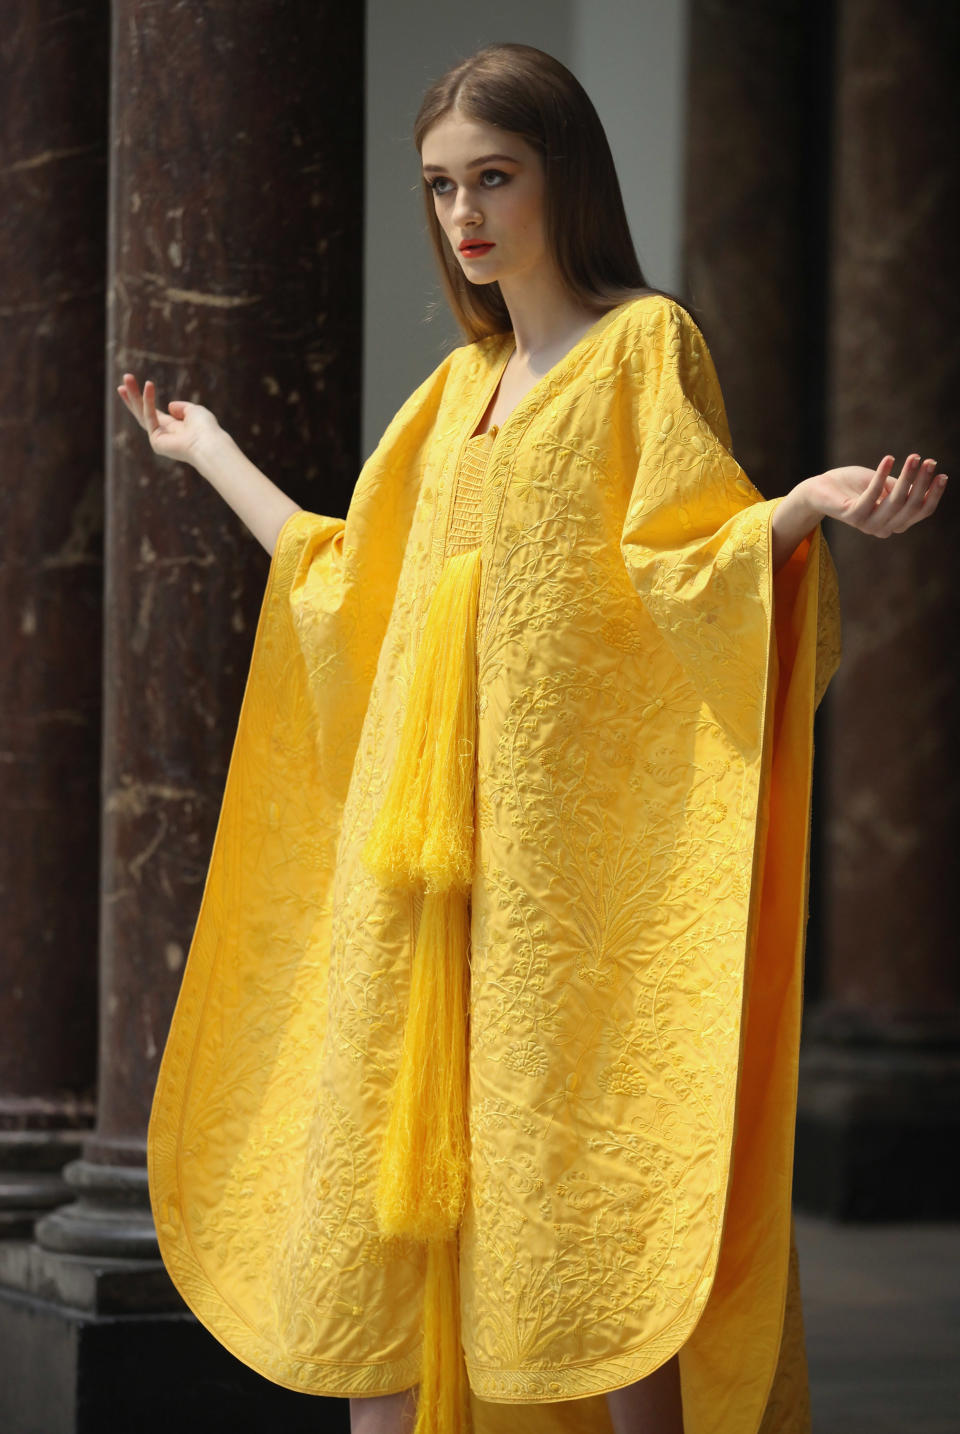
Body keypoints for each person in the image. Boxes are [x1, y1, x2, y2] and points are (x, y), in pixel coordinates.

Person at [118, 41, 946, 1434]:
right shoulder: (453, 397)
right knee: (383, 1211)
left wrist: (803, 502)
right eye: (442, 186)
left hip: (554, 892)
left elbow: (687, 565)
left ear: (565, 176)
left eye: (493, 178)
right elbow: (343, 583)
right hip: (414, 891)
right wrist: (207, 455)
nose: (465, 216)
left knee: (581, 1214)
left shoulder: (643, 347)